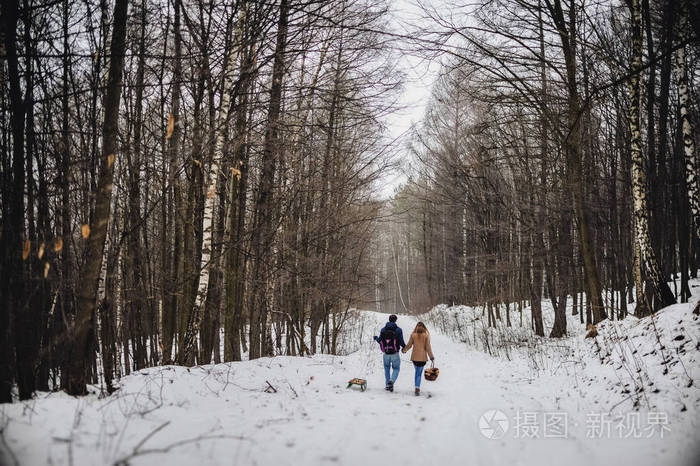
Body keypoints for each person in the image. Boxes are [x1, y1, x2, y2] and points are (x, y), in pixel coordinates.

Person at [373, 314, 406, 392]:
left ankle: (388, 385)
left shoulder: (383, 330)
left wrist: (376, 338)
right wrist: (404, 348)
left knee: (387, 369)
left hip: (386, 354)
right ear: (395, 320)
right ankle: (392, 380)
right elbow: (401, 342)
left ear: (389, 319)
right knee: (396, 368)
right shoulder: (398, 330)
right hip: (395, 353)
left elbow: (379, 340)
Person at [402, 322, 434, 396]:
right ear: (424, 327)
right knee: (419, 373)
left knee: (417, 372)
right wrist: (431, 357)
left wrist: (404, 350)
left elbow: (409, 345)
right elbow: (428, 348)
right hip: (422, 358)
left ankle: (417, 387)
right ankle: (417, 387)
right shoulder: (426, 336)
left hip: (415, 358)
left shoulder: (413, 335)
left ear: (416, 327)